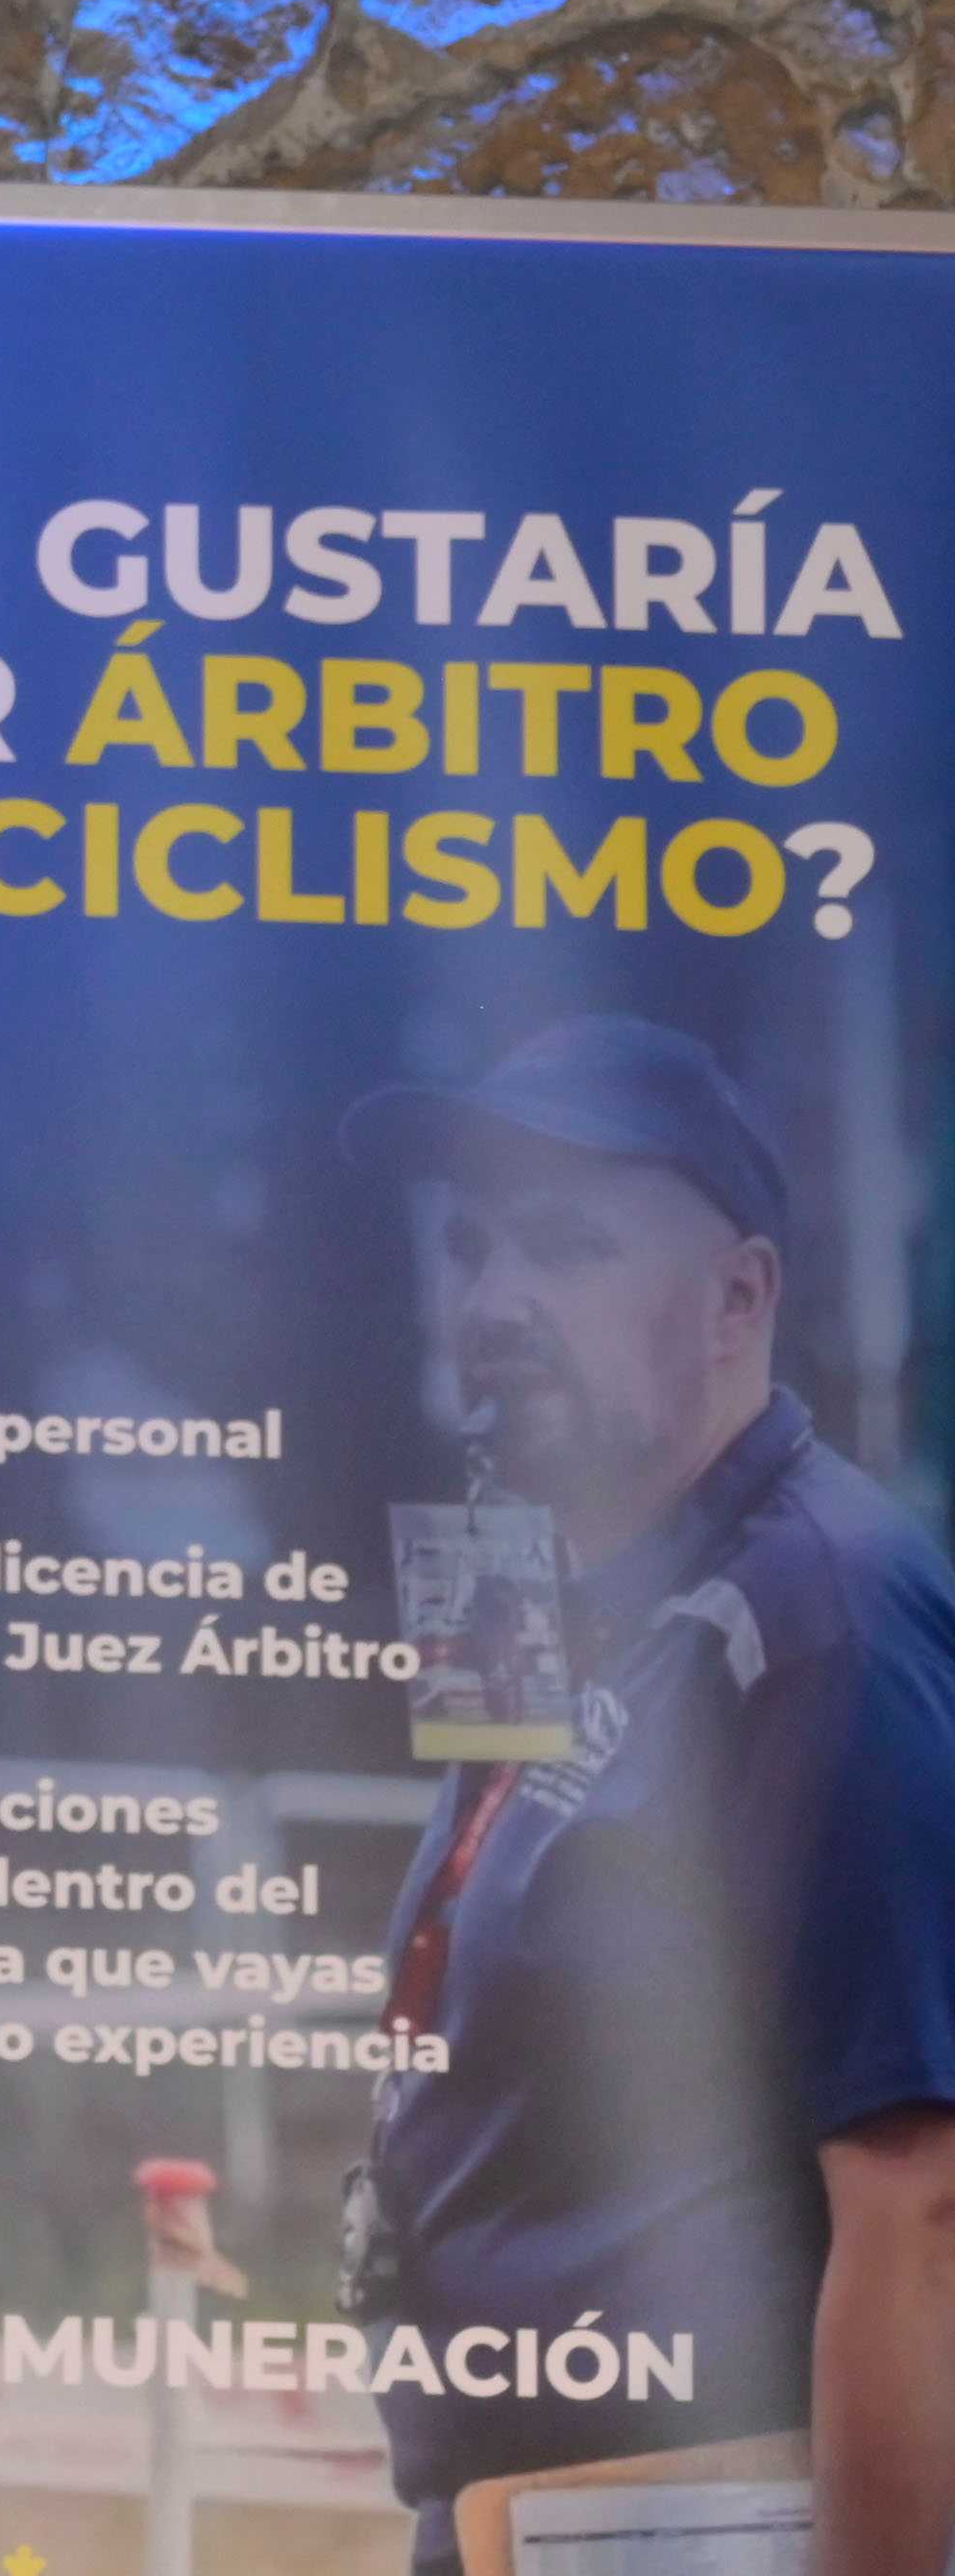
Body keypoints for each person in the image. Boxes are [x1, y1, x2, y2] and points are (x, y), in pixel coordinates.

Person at [341, 1017, 955, 2576]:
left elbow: (916, 2203)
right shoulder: (540, 1563)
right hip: (511, 2512)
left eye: (562, 1245)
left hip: (694, 2524)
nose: (491, 1303)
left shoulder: (823, 1611)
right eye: (467, 1247)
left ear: (735, 1294)